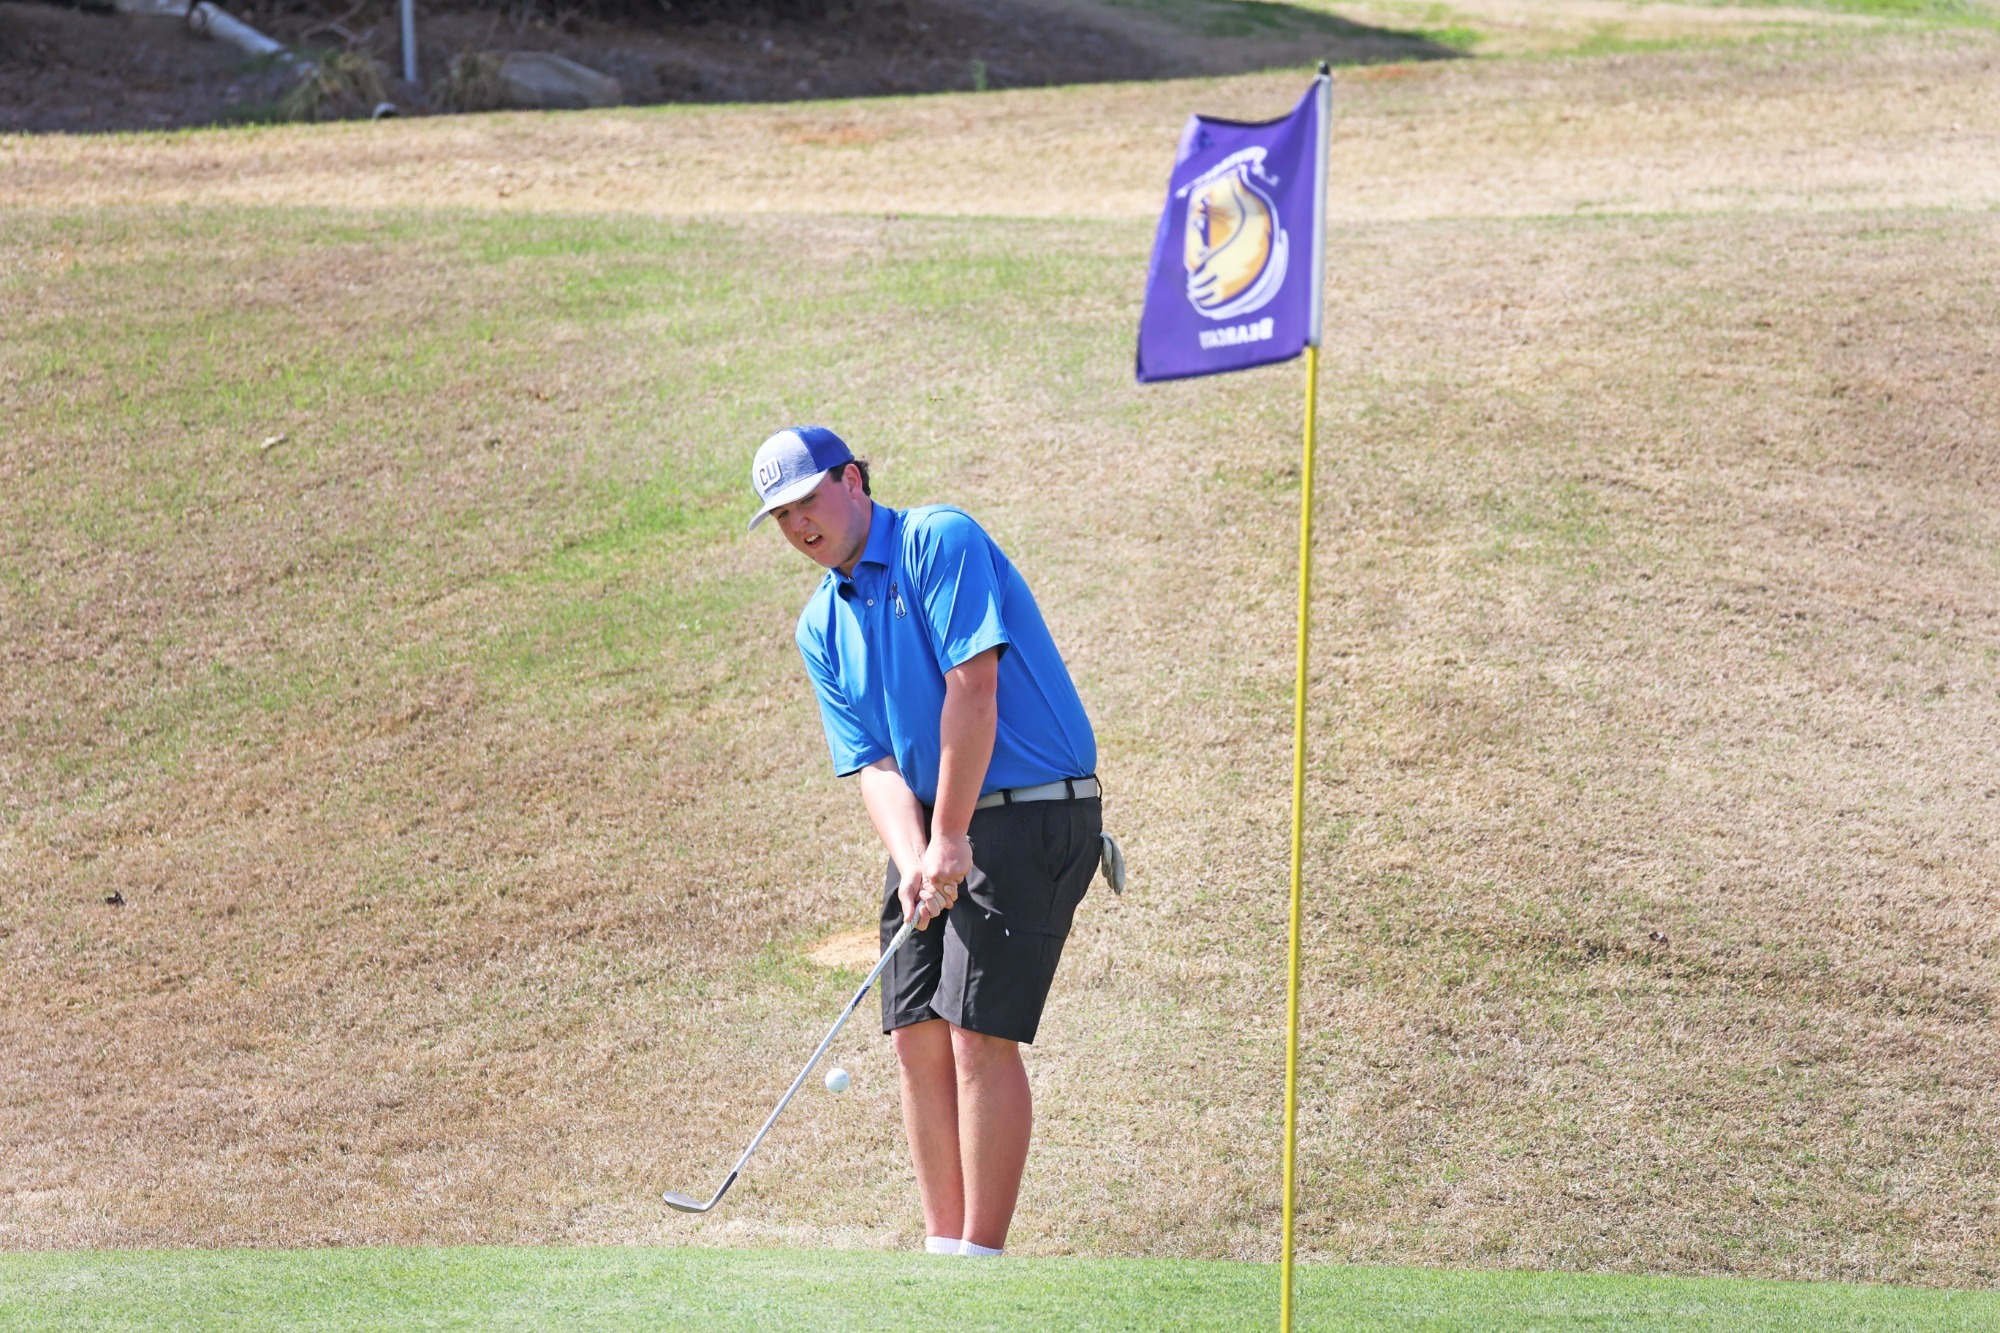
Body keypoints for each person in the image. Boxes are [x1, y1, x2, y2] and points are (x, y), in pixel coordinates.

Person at [749, 424, 1102, 1258]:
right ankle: (942, 1255)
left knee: (977, 1030)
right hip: (933, 821)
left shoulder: (937, 539)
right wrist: (917, 858)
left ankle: (981, 1260)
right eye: (780, 515)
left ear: (853, 479)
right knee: (915, 1031)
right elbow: (871, 760)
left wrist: (950, 836)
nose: (800, 525)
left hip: (1030, 807)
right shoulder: (818, 625)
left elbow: (971, 689)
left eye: (808, 500)